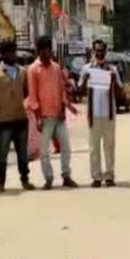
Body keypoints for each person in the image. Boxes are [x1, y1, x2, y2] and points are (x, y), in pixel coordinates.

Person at [28, 35, 79, 190]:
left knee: (66, 147)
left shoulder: (56, 67)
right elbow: (32, 95)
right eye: (43, 50)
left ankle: (66, 175)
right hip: (44, 117)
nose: (46, 53)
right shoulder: (33, 69)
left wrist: (65, 108)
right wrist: (37, 117)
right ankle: (48, 178)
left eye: (48, 49)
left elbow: (61, 90)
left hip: (58, 115)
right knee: (44, 151)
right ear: (38, 51)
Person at [0, 40, 35, 193]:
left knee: (22, 154)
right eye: (9, 52)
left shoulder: (22, 71)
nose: (12, 55)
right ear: (3, 54)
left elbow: (27, 92)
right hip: (3, 119)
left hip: (21, 118)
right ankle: (0, 183)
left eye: (13, 52)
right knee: (2, 155)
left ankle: (25, 180)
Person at [79, 39, 122, 188]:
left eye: (102, 51)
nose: (99, 53)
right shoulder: (87, 69)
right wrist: (84, 80)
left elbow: (120, 92)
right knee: (94, 147)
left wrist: (114, 80)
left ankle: (109, 175)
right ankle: (96, 177)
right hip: (94, 114)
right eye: (96, 50)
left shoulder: (112, 69)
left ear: (106, 52)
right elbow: (80, 92)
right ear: (93, 52)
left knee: (109, 146)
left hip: (109, 114)